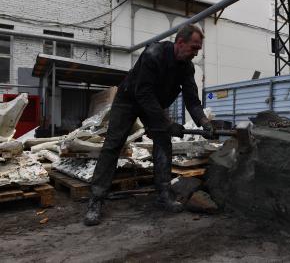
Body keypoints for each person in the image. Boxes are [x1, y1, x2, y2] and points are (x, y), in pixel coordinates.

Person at [84, 24, 213, 226]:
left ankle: (163, 194)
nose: (196, 53)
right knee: (113, 144)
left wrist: (204, 122)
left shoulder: (186, 67)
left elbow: (192, 100)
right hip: (129, 100)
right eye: (194, 48)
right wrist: (166, 122)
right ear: (180, 43)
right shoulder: (154, 54)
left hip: (153, 104)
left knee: (163, 141)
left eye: (198, 49)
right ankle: (96, 199)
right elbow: (143, 93)